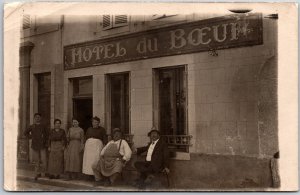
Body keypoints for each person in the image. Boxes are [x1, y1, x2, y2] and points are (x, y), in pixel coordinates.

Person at [24, 113, 49, 181]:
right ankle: (36, 173)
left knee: (44, 160)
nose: (37, 118)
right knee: (36, 161)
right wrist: (31, 137)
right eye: (36, 117)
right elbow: (25, 133)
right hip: (35, 146)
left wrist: (46, 143)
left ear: (40, 118)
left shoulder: (43, 126)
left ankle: (43, 173)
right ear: (34, 118)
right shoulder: (32, 126)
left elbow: (47, 135)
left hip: (42, 145)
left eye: (39, 117)